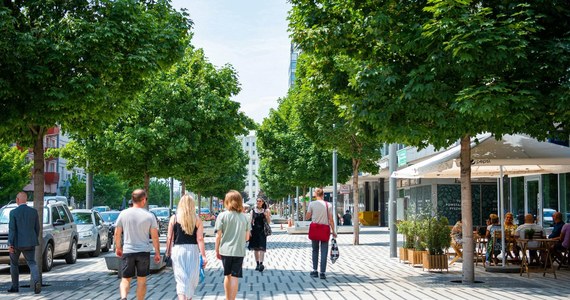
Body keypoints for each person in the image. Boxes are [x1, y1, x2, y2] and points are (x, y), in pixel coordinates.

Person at [114, 189, 160, 300]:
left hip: (128, 251)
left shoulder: (123, 214)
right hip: (143, 252)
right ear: (143, 200)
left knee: (125, 279)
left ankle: (124, 297)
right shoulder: (149, 216)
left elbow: (117, 233)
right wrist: (157, 252)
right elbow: (154, 236)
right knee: (142, 281)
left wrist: (118, 247)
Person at [166, 194, 207, 300]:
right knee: (191, 278)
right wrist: (203, 255)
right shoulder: (197, 219)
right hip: (192, 250)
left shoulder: (174, 218)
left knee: (180, 279)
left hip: (178, 250)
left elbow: (170, 237)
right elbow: (200, 239)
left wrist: (168, 252)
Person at [215, 190, 251, 300]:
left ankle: (227, 298)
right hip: (239, 251)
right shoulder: (246, 217)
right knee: (235, 276)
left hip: (225, 250)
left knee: (227, 275)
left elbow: (218, 236)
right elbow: (247, 237)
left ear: (227, 201)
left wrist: (217, 250)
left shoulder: (222, 216)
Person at [7, 192, 41, 294]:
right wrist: (32, 238)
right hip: (30, 242)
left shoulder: (13, 212)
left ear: (17, 200)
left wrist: (10, 244)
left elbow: (12, 229)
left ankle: (15, 287)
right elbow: (37, 228)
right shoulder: (33, 212)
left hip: (16, 244)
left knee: (14, 264)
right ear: (26, 200)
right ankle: (36, 282)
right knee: (32, 263)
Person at [305, 187, 336, 280]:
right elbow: (331, 219)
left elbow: (307, 217)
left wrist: (310, 214)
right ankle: (322, 273)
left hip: (315, 229)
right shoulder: (328, 205)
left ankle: (315, 271)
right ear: (323, 195)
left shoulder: (312, 204)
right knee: (324, 251)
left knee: (315, 250)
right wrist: (334, 231)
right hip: (324, 229)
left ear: (315, 195)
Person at [248, 197, 271, 272]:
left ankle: (261, 264)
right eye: (257, 201)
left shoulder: (266, 210)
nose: (258, 202)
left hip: (262, 231)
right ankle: (257, 264)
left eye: (260, 201)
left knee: (262, 248)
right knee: (256, 249)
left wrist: (266, 215)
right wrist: (249, 231)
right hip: (254, 231)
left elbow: (269, 222)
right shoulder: (253, 211)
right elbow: (250, 221)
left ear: (263, 202)